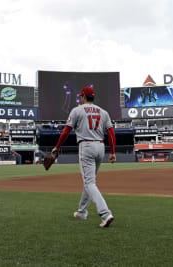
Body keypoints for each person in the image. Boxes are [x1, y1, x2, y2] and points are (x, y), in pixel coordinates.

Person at [52, 86, 116, 228]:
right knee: (89, 181)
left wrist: (57, 147)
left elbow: (66, 131)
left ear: (83, 97)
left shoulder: (77, 110)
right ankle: (82, 212)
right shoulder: (103, 112)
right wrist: (112, 152)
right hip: (100, 147)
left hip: (86, 146)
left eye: (81, 96)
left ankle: (105, 214)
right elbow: (111, 133)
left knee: (89, 183)